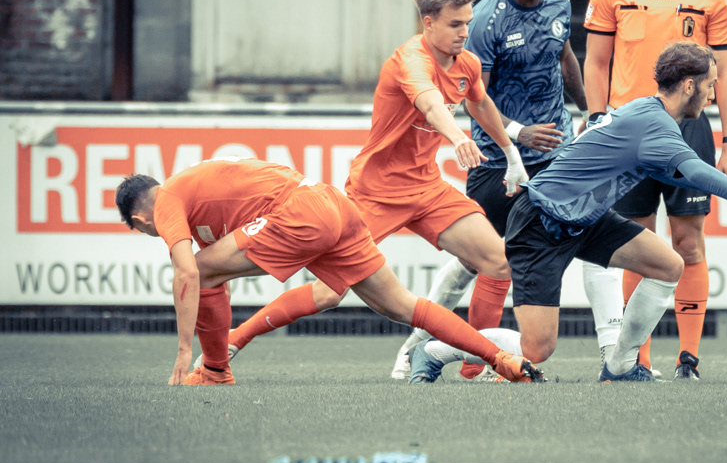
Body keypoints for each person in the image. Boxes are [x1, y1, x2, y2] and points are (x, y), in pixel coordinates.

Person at [407, 42, 727, 383]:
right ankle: (435, 351)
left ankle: (620, 366)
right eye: (710, 85)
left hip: (584, 218)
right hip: (541, 220)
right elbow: (696, 172)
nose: (712, 95)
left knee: (668, 265)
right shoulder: (656, 125)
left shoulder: (648, 113)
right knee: (537, 349)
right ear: (689, 85)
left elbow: (678, 171)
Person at [195, 0, 531, 371]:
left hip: (428, 188)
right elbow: (430, 104)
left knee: (497, 262)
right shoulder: (410, 60)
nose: (464, 32)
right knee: (329, 292)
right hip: (376, 192)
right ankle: (236, 338)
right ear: (428, 23)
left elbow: (481, 104)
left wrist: (511, 153)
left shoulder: (467, 64)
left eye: (467, 23)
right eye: (455, 24)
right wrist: (457, 137)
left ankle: (475, 369)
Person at [389, 0, 622, 382]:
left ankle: (616, 358)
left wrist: (591, 111)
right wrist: (518, 134)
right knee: (476, 262)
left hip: (558, 157)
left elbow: (565, 58)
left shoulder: (559, 2)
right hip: (500, 163)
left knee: (596, 238)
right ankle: (416, 349)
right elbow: (475, 97)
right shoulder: (483, 21)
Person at [114, 158, 543, 385]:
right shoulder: (193, 195)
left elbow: (188, 274)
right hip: (333, 203)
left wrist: (184, 350)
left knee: (201, 270)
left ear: (139, 221)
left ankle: (214, 371)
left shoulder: (165, 200)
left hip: (301, 211)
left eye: (145, 230)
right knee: (401, 306)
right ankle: (501, 358)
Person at [581, 0, 727, 380]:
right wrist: (596, 118)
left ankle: (688, 359)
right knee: (638, 244)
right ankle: (638, 359)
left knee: (689, 244)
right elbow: (596, 62)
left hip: (689, 130)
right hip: (628, 131)